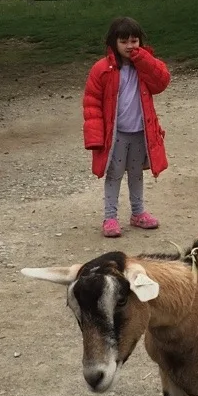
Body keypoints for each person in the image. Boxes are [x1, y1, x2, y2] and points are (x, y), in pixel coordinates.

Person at [82, 16, 170, 238]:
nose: (130, 46)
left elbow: (161, 82)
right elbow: (91, 102)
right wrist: (95, 137)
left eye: (134, 41)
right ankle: (110, 217)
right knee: (114, 174)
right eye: (124, 41)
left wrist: (145, 60)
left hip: (141, 131)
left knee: (136, 174)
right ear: (114, 43)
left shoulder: (145, 65)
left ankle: (138, 213)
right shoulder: (102, 69)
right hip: (116, 134)